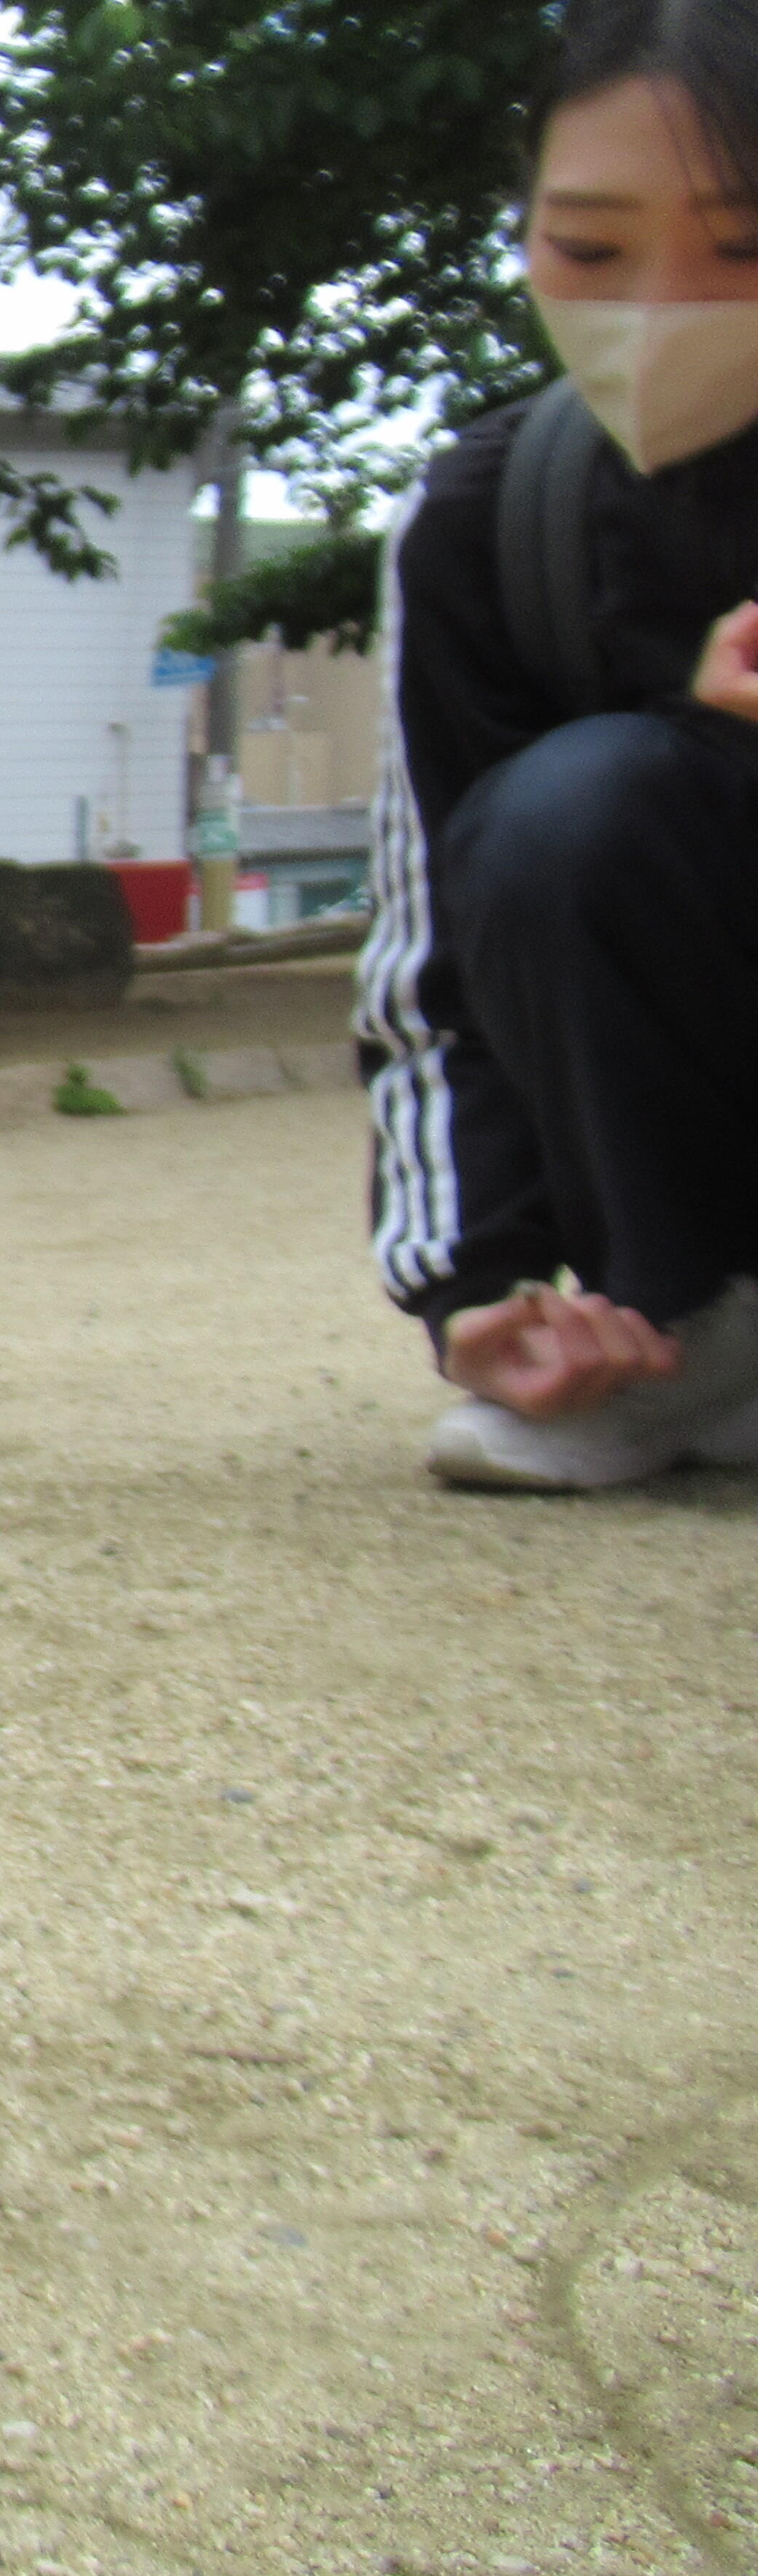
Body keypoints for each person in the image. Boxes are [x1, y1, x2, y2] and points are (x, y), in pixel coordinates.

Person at [363, 0, 758, 1489]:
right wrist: (477, 1289)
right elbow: (435, 960)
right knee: (571, 810)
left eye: (746, 246)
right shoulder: (489, 519)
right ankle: (680, 1336)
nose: (664, 308)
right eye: (590, 252)